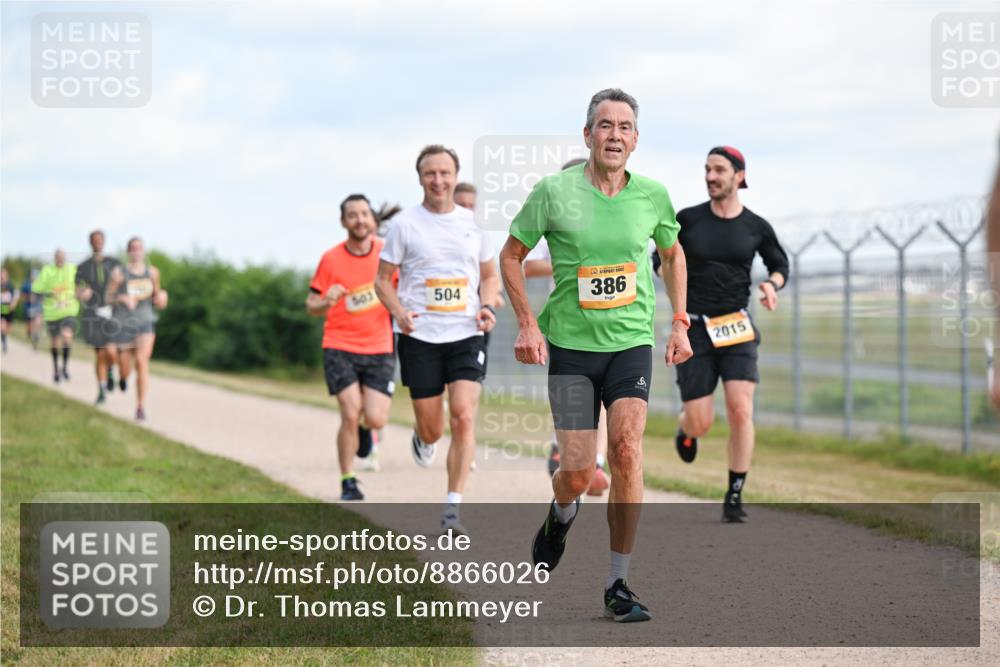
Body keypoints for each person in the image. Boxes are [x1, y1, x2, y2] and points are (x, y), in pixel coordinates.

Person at [500, 89, 692, 622]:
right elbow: (511, 255)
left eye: (624, 126)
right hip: (569, 347)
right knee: (580, 472)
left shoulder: (653, 195)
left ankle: (618, 582)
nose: (614, 134)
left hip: (631, 343)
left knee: (628, 450)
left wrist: (679, 321)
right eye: (604, 125)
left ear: (635, 139)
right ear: (587, 136)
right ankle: (560, 515)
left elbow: (673, 255)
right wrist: (527, 324)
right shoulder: (554, 191)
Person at [375, 144, 499, 534]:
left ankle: (452, 509)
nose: (438, 180)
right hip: (420, 335)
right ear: (420, 179)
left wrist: (488, 306)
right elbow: (382, 280)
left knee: (463, 416)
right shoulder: (404, 225)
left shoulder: (474, 224)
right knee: (433, 428)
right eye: (431, 174)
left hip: (465, 333)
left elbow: (490, 276)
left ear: (455, 174)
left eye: (445, 173)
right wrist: (398, 311)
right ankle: (423, 437)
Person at [671, 146, 789, 523]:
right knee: (701, 421)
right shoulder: (687, 220)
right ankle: (685, 428)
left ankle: (735, 493)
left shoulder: (755, 226)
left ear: (739, 176)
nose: (710, 176)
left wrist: (772, 284)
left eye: (719, 170)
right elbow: (663, 258)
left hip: (736, 326)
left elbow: (779, 263)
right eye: (707, 169)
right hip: (695, 328)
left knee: (741, 409)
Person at [524, 158, 610, 497]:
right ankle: (560, 447)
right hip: (566, 321)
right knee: (572, 393)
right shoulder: (555, 223)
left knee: (603, 397)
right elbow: (528, 265)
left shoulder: (611, 221)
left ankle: (597, 461)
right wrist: (569, 267)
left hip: (608, 322)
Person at [307, 194, 399, 501]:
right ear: (343, 222)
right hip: (339, 345)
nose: (359, 220)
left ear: (373, 220)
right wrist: (326, 299)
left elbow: (405, 291)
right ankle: (348, 480)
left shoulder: (388, 255)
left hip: (380, 346)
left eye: (364, 214)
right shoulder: (331, 259)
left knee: (375, 418)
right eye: (352, 215)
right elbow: (312, 306)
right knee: (350, 411)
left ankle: (365, 430)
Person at [107, 237, 168, 421]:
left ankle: (140, 407)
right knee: (125, 367)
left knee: (142, 361)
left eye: (139, 248)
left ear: (143, 251)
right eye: (132, 248)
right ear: (128, 251)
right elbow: (107, 298)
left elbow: (157, 297)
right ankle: (122, 377)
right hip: (124, 325)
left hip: (145, 323)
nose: (136, 251)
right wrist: (121, 298)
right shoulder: (119, 273)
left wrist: (163, 297)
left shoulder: (152, 273)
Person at [75, 230, 122, 404]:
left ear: (104, 242)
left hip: (112, 312)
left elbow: (124, 283)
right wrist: (82, 293)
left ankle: (111, 371)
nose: (97, 243)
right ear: (90, 243)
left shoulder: (114, 263)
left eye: (100, 240)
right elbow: (77, 290)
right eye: (94, 240)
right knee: (100, 354)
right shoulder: (83, 267)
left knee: (111, 351)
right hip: (93, 314)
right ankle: (101, 390)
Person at [32, 249, 80, 383]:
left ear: (65, 258)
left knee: (67, 335)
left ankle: (64, 367)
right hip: (52, 313)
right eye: (58, 257)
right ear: (54, 258)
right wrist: (49, 293)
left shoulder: (72, 269)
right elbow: (36, 288)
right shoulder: (47, 270)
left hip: (69, 310)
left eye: (62, 257)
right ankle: (55, 368)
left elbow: (82, 282)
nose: (60, 260)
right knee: (55, 342)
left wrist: (80, 290)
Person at [21, 268, 42, 349]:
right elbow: (22, 295)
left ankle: (35, 338)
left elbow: (43, 295)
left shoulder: (41, 285)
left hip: (38, 307)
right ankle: (30, 334)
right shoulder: (26, 284)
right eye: (33, 276)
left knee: (37, 322)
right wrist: (28, 297)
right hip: (28, 307)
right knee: (30, 325)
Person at [1, 268, 19, 353]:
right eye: (1, 275)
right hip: (1, 309)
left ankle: (4, 337)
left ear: (6, 275)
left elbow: (16, 295)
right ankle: (4, 343)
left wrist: (13, 304)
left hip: (9, 310)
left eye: (3, 275)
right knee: (2, 326)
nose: (1, 276)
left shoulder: (11, 285)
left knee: (8, 328)